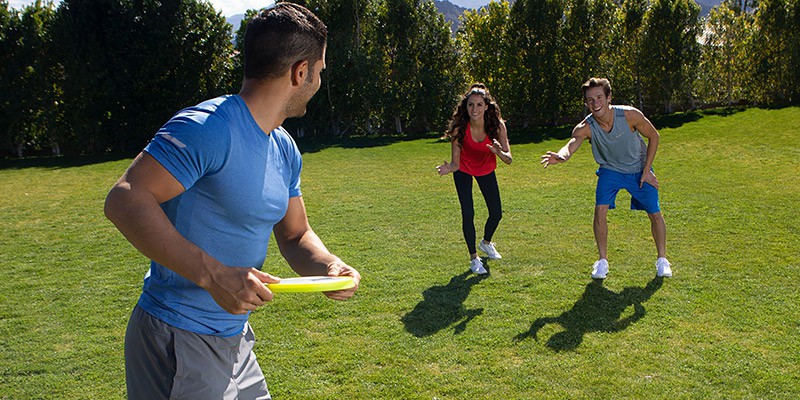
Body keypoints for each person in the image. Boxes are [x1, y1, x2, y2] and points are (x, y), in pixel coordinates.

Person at [103, 3, 361, 399]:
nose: (319, 80)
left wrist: (328, 265)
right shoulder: (208, 128)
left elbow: (295, 234)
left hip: (235, 341)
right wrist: (213, 275)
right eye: (320, 71)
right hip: (178, 337)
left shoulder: (284, 147)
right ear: (301, 72)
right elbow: (124, 200)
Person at [540, 77, 672, 279]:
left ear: (609, 97)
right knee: (600, 210)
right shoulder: (585, 127)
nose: (595, 103)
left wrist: (646, 170)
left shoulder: (629, 116)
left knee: (654, 212)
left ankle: (662, 259)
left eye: (599, 97)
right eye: (590, 100)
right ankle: (602, 261)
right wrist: (562, 156)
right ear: (586, 103)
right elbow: (572, 144)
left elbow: (654, 136)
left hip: (638, 168)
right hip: (610, 170)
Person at [437, 84, 512, 275]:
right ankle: (474, 258)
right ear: (466, 107)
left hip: (486, 169)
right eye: (471, 105)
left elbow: (508, 159)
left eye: (479, 105)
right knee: (468, 212)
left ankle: (486, 243)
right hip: (463, 169)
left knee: (496, 213)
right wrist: (449, 168)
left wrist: (498, 151)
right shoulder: (460, 128)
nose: (475, 109)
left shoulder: (497, 125)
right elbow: (455, 163)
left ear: (487, 106)